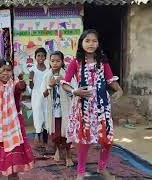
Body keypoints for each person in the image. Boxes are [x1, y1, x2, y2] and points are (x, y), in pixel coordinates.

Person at [61, 29, 123, 180]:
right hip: (83, 107)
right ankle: (81, 172)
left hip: (102, 106)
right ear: (81, 43)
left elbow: (110, 80)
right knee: (84, 140)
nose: (91, 44)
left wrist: (119, 89)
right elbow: (65, 84)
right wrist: (75, 91)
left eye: (94, 41)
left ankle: (102, 168)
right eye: (87, 41)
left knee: (107, 139)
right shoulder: (75, 63)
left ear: (98, 43)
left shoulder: (103, 62)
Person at [42, 51, 73, 167]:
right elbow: (44, 94)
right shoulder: (47, 76)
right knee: (55, 135)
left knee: (66, 133)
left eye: (58, 61)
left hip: (65, 110)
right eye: (52, 61)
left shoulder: (68, 74)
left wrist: (62, 83)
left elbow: (73, 93)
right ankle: (58, 150)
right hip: (53, 111)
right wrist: (50, 85)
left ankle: (68, 154)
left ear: (62, 62)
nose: (55, 63)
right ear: (49, 62)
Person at [29, 47, 48, 147]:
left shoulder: (49, 70)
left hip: (46, 95)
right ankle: (37, 135)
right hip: (36, 95)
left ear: (45, 57)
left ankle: (45, 141)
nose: (40, 57)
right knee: (37, 114)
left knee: (46, 115)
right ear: (35, 57)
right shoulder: (32, 69)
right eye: (38, 56)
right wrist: (31, 79)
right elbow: (31, 87)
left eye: (42, 55)